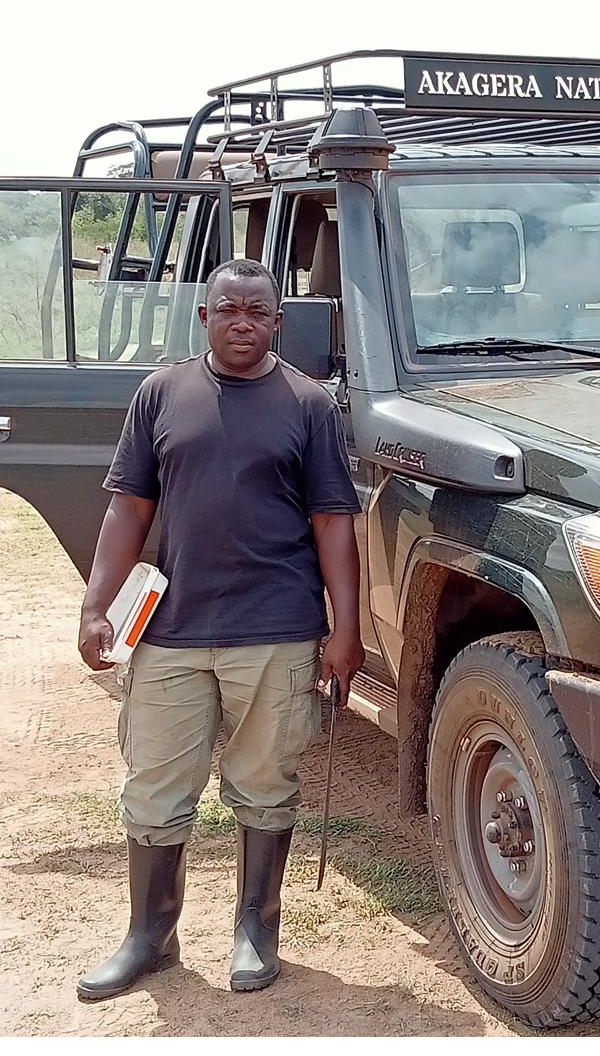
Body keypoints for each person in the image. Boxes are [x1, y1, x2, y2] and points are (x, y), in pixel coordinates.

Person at [75, 258, 363, 1000]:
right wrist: (95, 604)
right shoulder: (160, 393)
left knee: (265, 784)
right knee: (154, 786)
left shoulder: (308, 405)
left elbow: (333, 522)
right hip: (171, 629)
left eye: (257, 311)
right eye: (228, 309)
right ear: (204, 316)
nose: (242, 323)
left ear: (278, 322)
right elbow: (129, 506)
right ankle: (150, 936)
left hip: (276, 628)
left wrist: (346, 629)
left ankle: (255, 930)